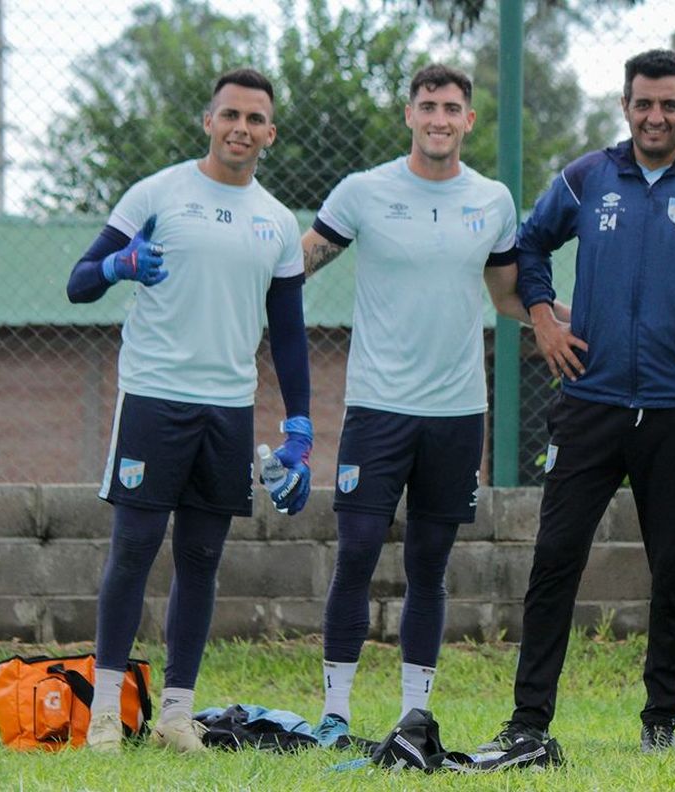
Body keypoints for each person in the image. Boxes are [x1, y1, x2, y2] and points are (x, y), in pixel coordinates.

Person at [477, 49, 675, 756]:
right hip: (590, 403)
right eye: (643, 103)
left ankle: (660, 721)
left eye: (669, 104)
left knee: (671, 572)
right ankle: (528, 721)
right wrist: (542, 317)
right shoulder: (586, 178)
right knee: (554, 561)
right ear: (625, 105)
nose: (655, 115)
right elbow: (529, 247)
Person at [296, 63, 555, 746]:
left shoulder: (493, 200)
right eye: (427, 106)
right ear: (408, 114)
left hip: (456, 412)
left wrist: (563, 321)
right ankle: (335, 713)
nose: (439, 118)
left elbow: (506, 295)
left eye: (452, 108)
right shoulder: (364, 192)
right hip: (377, 406)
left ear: (469, 120)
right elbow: (299, 262)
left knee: (429, 565)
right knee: (355, 551)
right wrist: (238, 273)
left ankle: (414, 711)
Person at [66, 68, 312, 753]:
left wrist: (300, 428)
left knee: (201, 558)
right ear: (209, 121)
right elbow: (79, 284)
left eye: (255, 118)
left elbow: (289, 334)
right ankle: (106, 715)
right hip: (152, 397)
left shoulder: (278, 223)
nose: (241, 128)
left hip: (228, 410)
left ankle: (177, 713)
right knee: (134, 552)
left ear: (270, 132)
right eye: (229, 114)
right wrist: (119, 267)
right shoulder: (157, 194)